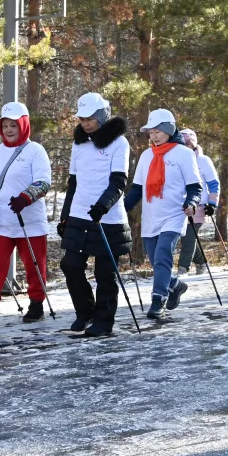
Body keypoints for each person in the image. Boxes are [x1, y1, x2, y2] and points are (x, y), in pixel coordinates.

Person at [0, 101, 53, 325]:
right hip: (1, 221)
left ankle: (36, 303)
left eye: (13, 125)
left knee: (34, 264)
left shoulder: (36, 151)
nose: (8, 130)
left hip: (29, 220)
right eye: (5, 125)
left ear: (23, 125)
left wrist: (26, 198)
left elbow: (44, 182)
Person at [58, 92, 132, 337]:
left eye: (90, 118)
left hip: (107, 216)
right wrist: (65, 215)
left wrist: (103, 205)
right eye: (82, 119)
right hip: (80, 213)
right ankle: (85, 312)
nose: (86, 123)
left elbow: (119, 181)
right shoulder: (78, 143)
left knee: (105, 273)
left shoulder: (119, 143)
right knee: (71, 265)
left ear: (102, 116)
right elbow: (73, 182)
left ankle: (103, 322)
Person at [125, 110, 203, 321]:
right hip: (152, 216)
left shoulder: (183, 154)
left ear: (169, 129)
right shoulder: (146, 156)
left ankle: (158, 299)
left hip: (174, 214)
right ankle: (175, 284)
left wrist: (192, 203)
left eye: (158, 131)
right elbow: (136, 189)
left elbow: (195, 187)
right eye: (151, 132)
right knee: (156, 260)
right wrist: (121, 209)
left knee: (162, 257)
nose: (154, 136)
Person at [176, 128, 221, 276]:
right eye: (184, 144)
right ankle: (202, 263)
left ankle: (183, 269)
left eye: (190, 144)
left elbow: (214, 183)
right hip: (179, 205)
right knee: (185, 238)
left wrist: (212, 204)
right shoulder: (176, 159)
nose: (187, 147)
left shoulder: (203, 160)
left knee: (189, 237)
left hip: (199, 205)